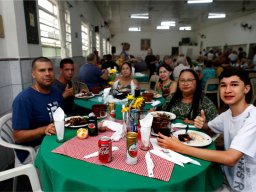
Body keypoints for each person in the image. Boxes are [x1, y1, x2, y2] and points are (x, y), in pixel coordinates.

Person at [157, 68, 256, 191]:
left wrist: (180, 147)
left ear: (246, 89)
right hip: (225, 177)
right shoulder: (228, 114)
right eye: (223, 85)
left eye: (234, 85)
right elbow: (209, 127)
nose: (228, 90)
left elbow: (230, 158)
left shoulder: (253, 118)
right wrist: (201, 123)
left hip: (245, 187)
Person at [12, 57, 64, 164]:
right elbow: (17, 137)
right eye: (42, 70)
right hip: (32, 150)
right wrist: (43, 130)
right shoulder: (24, 99)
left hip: (54, 141)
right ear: (33, 74)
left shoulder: (56, 92)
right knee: (63, 163)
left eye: (50, 69)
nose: (47, 73)